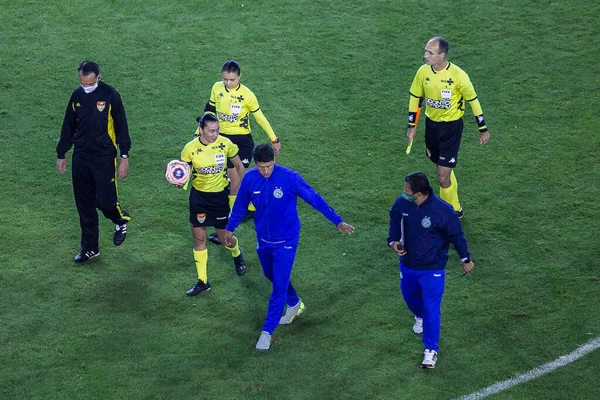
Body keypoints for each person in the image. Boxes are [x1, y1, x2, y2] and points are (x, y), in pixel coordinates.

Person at [224, 144, 355, 351]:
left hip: (286, 241)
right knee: (270, 274)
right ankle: (295, 303)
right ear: (255, 164)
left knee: (278, 286)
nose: (265, 171)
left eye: (268, 166)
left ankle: (267, 331)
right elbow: (240, 207)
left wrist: (336, 220)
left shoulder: (289, 178)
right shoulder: (249, 179)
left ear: (273, 161)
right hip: (264, 240)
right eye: (261, 167)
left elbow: (314, 198)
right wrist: (229, 230)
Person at [387, 172, 474, 369]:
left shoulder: (443, 211)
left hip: (433, 268)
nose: (404, 192)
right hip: (408, 264)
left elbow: (457, 236)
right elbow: (394, 221)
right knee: (409, 297)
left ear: (418, 193)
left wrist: (465, 259)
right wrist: (393, 242)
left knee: (432, 308)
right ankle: (419, 316)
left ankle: (430, 349)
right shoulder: (402, 203)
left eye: (407, 190)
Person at [406, 36, 491, 218]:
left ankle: (446, 215)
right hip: (432, 127)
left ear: (442, 55)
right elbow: (415, 98)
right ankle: (456, 207)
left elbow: (473, 101)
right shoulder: (423, 72)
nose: (425, 56)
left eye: (430, 53)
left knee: (442, 177)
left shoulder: (458, 76)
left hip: (451, 129)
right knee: (442, 169)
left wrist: (482, 128)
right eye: (426, 51)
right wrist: (411, 125)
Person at [56, 60, 132, 264]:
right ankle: (90, 248)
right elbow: (68, 125)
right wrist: (62, 153)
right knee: (84, 203)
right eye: (83, 83)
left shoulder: (110, 95)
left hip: (104, 156)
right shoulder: (76, 96)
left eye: (89, 84)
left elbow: (122, 127)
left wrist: (124, 156)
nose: (86, 87)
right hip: (81, 155)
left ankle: (119, 220)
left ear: (98, 77)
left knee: (105, 201)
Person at [198, 60, 280, 244]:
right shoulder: (216, 88)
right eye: (225, 79)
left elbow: (260, 118)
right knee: (233, 181)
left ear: (240, 77)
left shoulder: (247, 95)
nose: (228, 83)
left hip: (242, 142)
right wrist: (199, 131)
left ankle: (227, 226)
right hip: (222, 141)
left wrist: (274, 139)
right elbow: (209, 110)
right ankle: (250, 206)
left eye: (232, 80)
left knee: (234, 181)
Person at [180, 113, 247, 296]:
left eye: (217, 130)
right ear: (201, 130)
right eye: (210, 131)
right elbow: (184, 173)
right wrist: (179, 181)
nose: (215, 134)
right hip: (199, 198)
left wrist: (247, 187)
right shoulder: (190, 149)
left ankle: (236, 253)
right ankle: (203, 281)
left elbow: (239, 166)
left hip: (219, 199)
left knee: (226, 238)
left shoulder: (226, 144)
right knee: (199, 239)